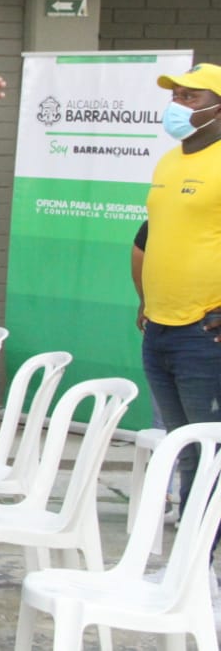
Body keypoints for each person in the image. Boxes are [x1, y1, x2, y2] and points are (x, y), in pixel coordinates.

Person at [141, 63, 221, 552]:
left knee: (210, 450)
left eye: (192, 98)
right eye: (178, 96)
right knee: (186, 449)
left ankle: (205, 563)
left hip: (203, 332)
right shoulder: (169, 162)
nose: (179, 106)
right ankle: (192, 561)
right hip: (161, 328)